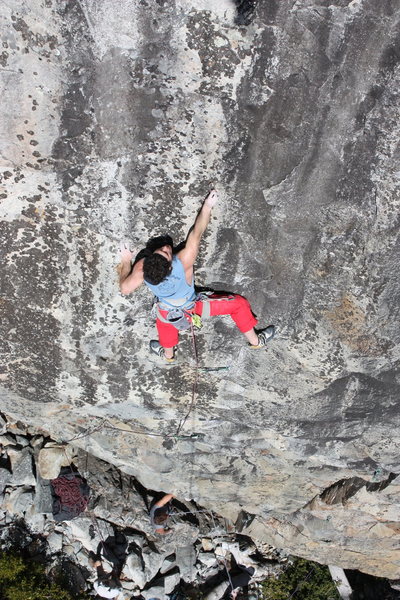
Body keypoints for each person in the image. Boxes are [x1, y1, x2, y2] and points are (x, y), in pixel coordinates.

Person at [119, 189, 275, 362]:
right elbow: (197, 233)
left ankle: (168, 356)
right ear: (171, 266)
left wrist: (126, 260)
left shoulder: (142, 268)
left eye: (162, 251)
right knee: (238, 304)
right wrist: (207, 206)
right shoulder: (183, 262)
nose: (167, 248)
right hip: (193, 308)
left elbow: (125, 288)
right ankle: (256, 341)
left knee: (165, 325)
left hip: (166, 311)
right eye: (167, 253)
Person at [89, 531, 128, 598]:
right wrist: (114, 575)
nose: (107, 581)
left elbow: (99, 570)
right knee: (118, 560)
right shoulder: (114, 591)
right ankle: (119, 534)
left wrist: (98, 563)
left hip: (103, 579)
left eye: (105, 581)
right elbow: (119, 586)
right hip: (114, 581)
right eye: (107, 582)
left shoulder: (97, 585)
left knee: (103, 559)